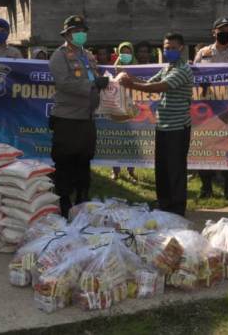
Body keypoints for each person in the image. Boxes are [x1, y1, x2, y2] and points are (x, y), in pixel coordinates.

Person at [120, 33, 193, 216]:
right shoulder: (168, 67)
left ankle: (176, 208)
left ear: (181, 49)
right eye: (166, 48)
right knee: (162, 168)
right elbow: (149, 83)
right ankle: (164, 203)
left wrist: (131, 85)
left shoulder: (183, 70)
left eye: (172, 48)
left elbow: (159, 88)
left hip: (178, 128)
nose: (169, 51)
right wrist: (127, 77)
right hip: (163, 126)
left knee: (175, 170)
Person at [49, 15, 109, 216]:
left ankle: (82, 201)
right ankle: (64, 203)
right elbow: (64, 83)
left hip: (87, 118)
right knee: (65, 162)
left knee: (84, 161)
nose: (80, 34)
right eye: (75, 31)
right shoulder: (59, 55)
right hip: (67, 119)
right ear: (66, 34)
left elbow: (94, 78)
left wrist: (103, 82)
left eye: (82, 30)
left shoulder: (88, 56)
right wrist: (93, 84)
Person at [194, 17, 228, 200]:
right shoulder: (203, 53)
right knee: (206, 147)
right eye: (222, 29)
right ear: (214, 32)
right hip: (207, 110)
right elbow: (195, 78)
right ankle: (206, 187)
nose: (226, 33)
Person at [111, 41, 138, 183]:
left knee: (131, 142)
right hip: (116, 108)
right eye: (123, 52)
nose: (125, 55)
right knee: (116, 140)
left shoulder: (138, 68)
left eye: (128, 52)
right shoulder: (113, 69)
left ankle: (131, 171)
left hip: (131, 109)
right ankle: (115, 171)